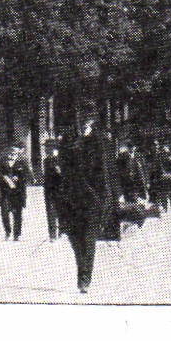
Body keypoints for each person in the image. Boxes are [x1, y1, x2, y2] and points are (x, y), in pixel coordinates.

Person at [58, 118, 111, 294]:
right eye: (80, 122)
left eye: (86, 123)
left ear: (92, 123)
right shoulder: (68, 141)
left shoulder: (99, 143)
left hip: (91, 201)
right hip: (71, 200)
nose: (82, 126)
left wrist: (104, 203)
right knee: (76, 242)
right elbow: (63, 173)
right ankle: (82, 273)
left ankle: (85, 279)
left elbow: (104, 175)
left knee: (88, 242)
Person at [0, 141, 29, 240]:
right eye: (10, 152)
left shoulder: (22, 162)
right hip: (5, 192)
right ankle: (7, 232)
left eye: (14, 153)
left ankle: (17, 234)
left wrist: (19, 178)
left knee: (17, 214)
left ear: (18, 153)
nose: (12, 154)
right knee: (4, 213)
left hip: (18, 192)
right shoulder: (3, 162)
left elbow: (27, 176)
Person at [41, 140, 64, 241]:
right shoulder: (46, 160)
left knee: (60, 210)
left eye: (47, 148)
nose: (46, 150)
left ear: (54, 149)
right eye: (46, 148)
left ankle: (61, 230)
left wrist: (58, 169)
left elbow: (63, 175)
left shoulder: (61, 160)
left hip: (59, 189)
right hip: (48, 190)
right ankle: (52, 234)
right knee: (50, 212)